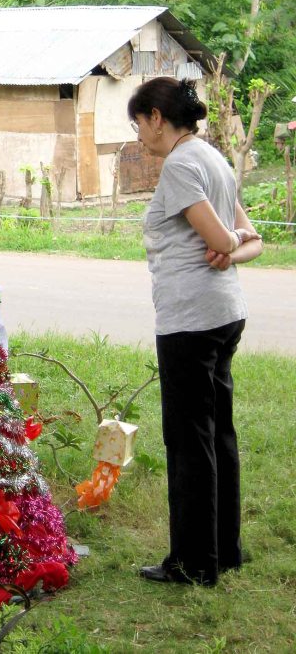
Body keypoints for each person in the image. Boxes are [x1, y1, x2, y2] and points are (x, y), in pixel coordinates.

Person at [128, 76, 263, 587]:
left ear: (157, 118)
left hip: (191, 319)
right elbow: (249, 242)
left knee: (188, 441)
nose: (139, 135)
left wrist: (227, 242)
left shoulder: (183, 164)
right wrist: (233, 244)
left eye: (139, 123)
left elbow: (225, 236)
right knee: (216, 434)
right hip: (224, 314)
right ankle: (223, 549)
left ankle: (193, 562)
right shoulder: (213, 159)